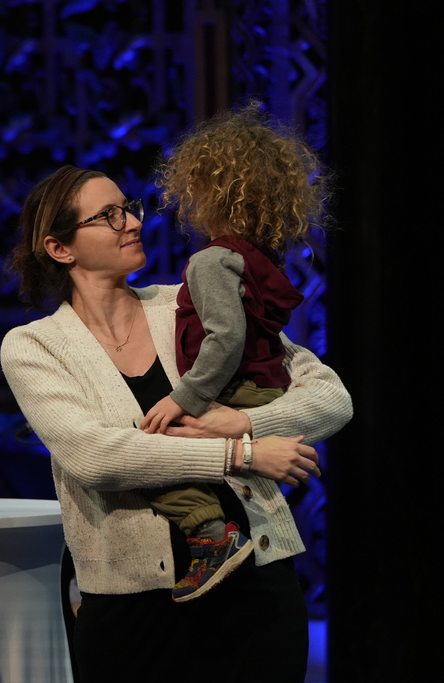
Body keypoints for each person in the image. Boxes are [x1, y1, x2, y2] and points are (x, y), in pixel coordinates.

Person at [0, 162, 351, 682]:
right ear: (60, 248)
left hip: (256, 588)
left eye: (130, 208)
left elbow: (330, 395)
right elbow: (99, 456)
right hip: (135, 611)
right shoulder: (34, 345)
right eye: (109, 215)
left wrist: (248, 425)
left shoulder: (184, 301)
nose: (132, 223)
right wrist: (244, 456)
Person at [137, 104, 330, 602]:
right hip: (265, 386)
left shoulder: (211, 260)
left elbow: (225, 339)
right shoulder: (259, 261)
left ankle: (211, 536)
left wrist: (185, 399)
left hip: (236, 388)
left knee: (155, 456)